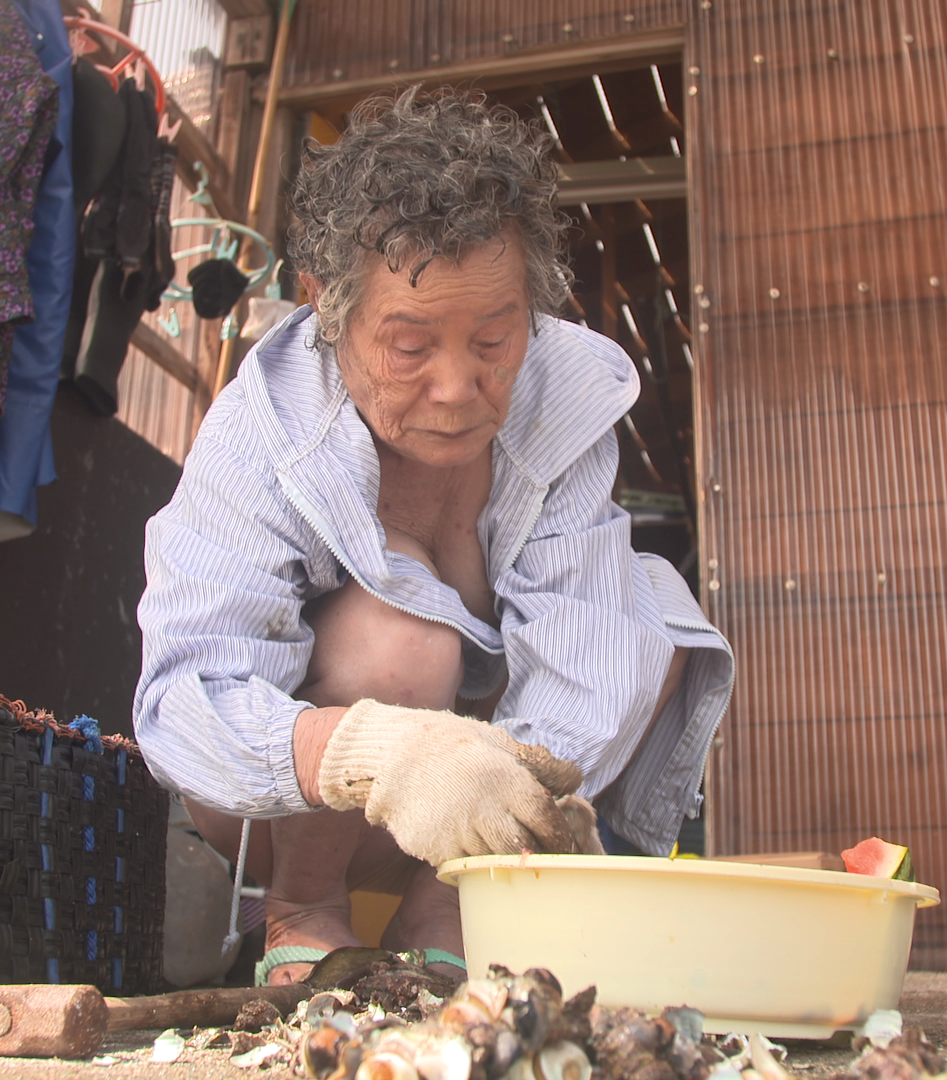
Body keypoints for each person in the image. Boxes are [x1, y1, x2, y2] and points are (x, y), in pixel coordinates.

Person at [131, 88, 734, 986]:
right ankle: (302, 910)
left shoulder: (564, 397)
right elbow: (180, 702)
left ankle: (451, 905)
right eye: (409, 346)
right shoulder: (264, 428)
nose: (459, 388)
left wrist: (503, 785)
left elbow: (584, 637)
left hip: (469, 808)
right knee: (403, 635)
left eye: (494, 337)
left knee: (648, 612)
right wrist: (376, 752)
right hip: (282, 807)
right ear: (325, 309)